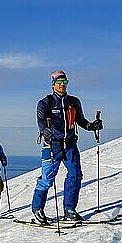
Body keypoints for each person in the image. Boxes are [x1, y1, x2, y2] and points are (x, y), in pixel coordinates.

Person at [31, 70, 103, 224]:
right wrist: (45, 131)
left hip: (70, 144)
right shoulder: (45, 103)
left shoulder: (74, 102)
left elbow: (81, 121)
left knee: (75, 175)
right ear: (53, 84)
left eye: (65, 82)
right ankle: (37, 208)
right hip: (52, 146)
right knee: (47, 179)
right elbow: (41, 122)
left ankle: (69, 209)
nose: (62, 85)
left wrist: (92, 126)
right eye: (59, 82)